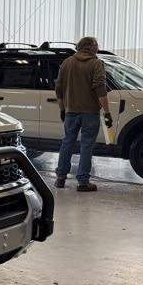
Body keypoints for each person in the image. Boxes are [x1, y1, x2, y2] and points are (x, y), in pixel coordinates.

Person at [54, 36, 113, 192]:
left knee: (67, 142)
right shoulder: (96, 63)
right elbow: (101, 89)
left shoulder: (67, 63)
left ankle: (60, 178)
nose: (98, 48)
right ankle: (83, 182)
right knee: (86, 145)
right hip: (90, 113)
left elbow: (58, 90)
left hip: (71, 112)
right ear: (91, 47)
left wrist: (62, 110)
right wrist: (107, 112)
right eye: (97, 45)